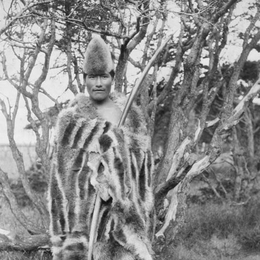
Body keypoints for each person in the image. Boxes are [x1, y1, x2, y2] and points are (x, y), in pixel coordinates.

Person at [48, 36, 154, 260]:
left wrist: (114, 168)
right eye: (92, 77)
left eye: (103, 76)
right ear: (84, 79)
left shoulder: (131, 116)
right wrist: (94, 174)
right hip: (88, 222)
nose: (98, 83)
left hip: (124, 218)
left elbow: (141, 165)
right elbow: (62, 177)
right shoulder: (72, 121)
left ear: (112, 77)